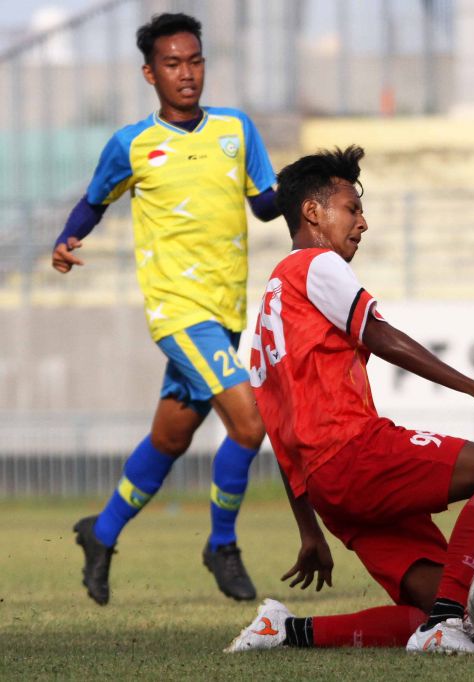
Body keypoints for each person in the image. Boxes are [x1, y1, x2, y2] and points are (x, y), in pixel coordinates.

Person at [224, 146, 474, 655]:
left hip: (329, 490)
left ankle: (283, 631)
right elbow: (377, 333)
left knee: (440, 603)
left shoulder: (268, 315)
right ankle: (444, 629)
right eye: (352, 208)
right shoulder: (315, 263)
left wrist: (310, 529)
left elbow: (278, 432)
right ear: (313, 212)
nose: (363, 223)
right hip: (355, 452)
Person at [55, 13, 281, 605]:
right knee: (251, 423)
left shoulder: (236, 129)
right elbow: (93, 200)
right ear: (149, 73)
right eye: (173, 64)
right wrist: (66, 239)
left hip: (225, 312)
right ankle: (222, 544)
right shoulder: (131, 143)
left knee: (170, 438)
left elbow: (264, 205)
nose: (187, 74)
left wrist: (312, 185)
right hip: (178, 314)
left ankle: (100, 534)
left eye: (195, 60)